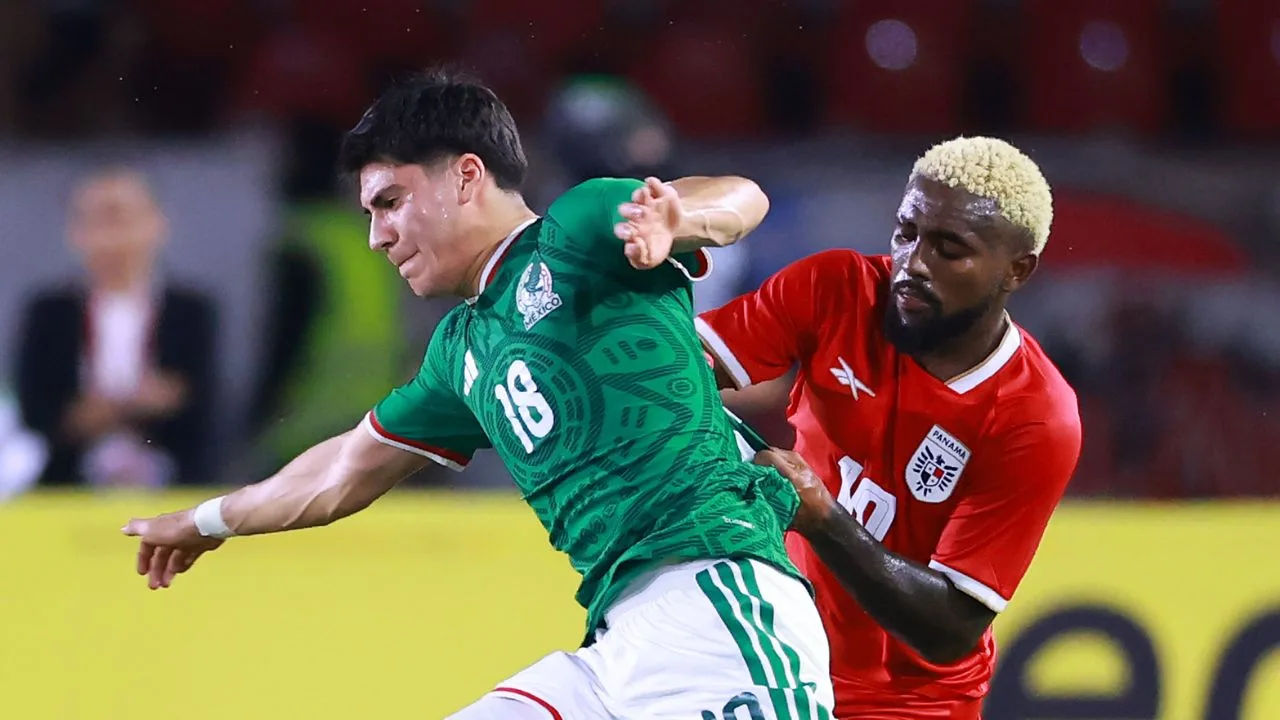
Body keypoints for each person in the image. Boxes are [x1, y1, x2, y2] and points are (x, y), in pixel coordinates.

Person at [120, 69, 835, 720]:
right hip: (616, 641)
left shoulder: (577, 231)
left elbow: (742, 194)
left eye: (390, 202)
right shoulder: (460, 351)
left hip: (721, 604)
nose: (377, 236)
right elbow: (344, 470)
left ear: (466, 177)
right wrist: (209, 520)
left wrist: (679, 218)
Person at [693, 137, 1082, 718]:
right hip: (766, 658)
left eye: (950, 249)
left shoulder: (1037, 416)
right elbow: (680, 371)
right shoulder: (836, 289)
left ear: (1016, 271)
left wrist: (822, 517)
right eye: (907, 233)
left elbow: (950, 628)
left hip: (905, 702)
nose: (914, 264)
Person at [15, 167, 217, 488]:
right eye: (96, 220)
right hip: (69, 480)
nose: (112, 236)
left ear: (156, 223)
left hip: (170, 478)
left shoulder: (189, 310)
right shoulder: (51, 312)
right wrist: (125, 406)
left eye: (123, 218)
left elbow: (201, 403)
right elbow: (35, 410)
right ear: (75, 231)